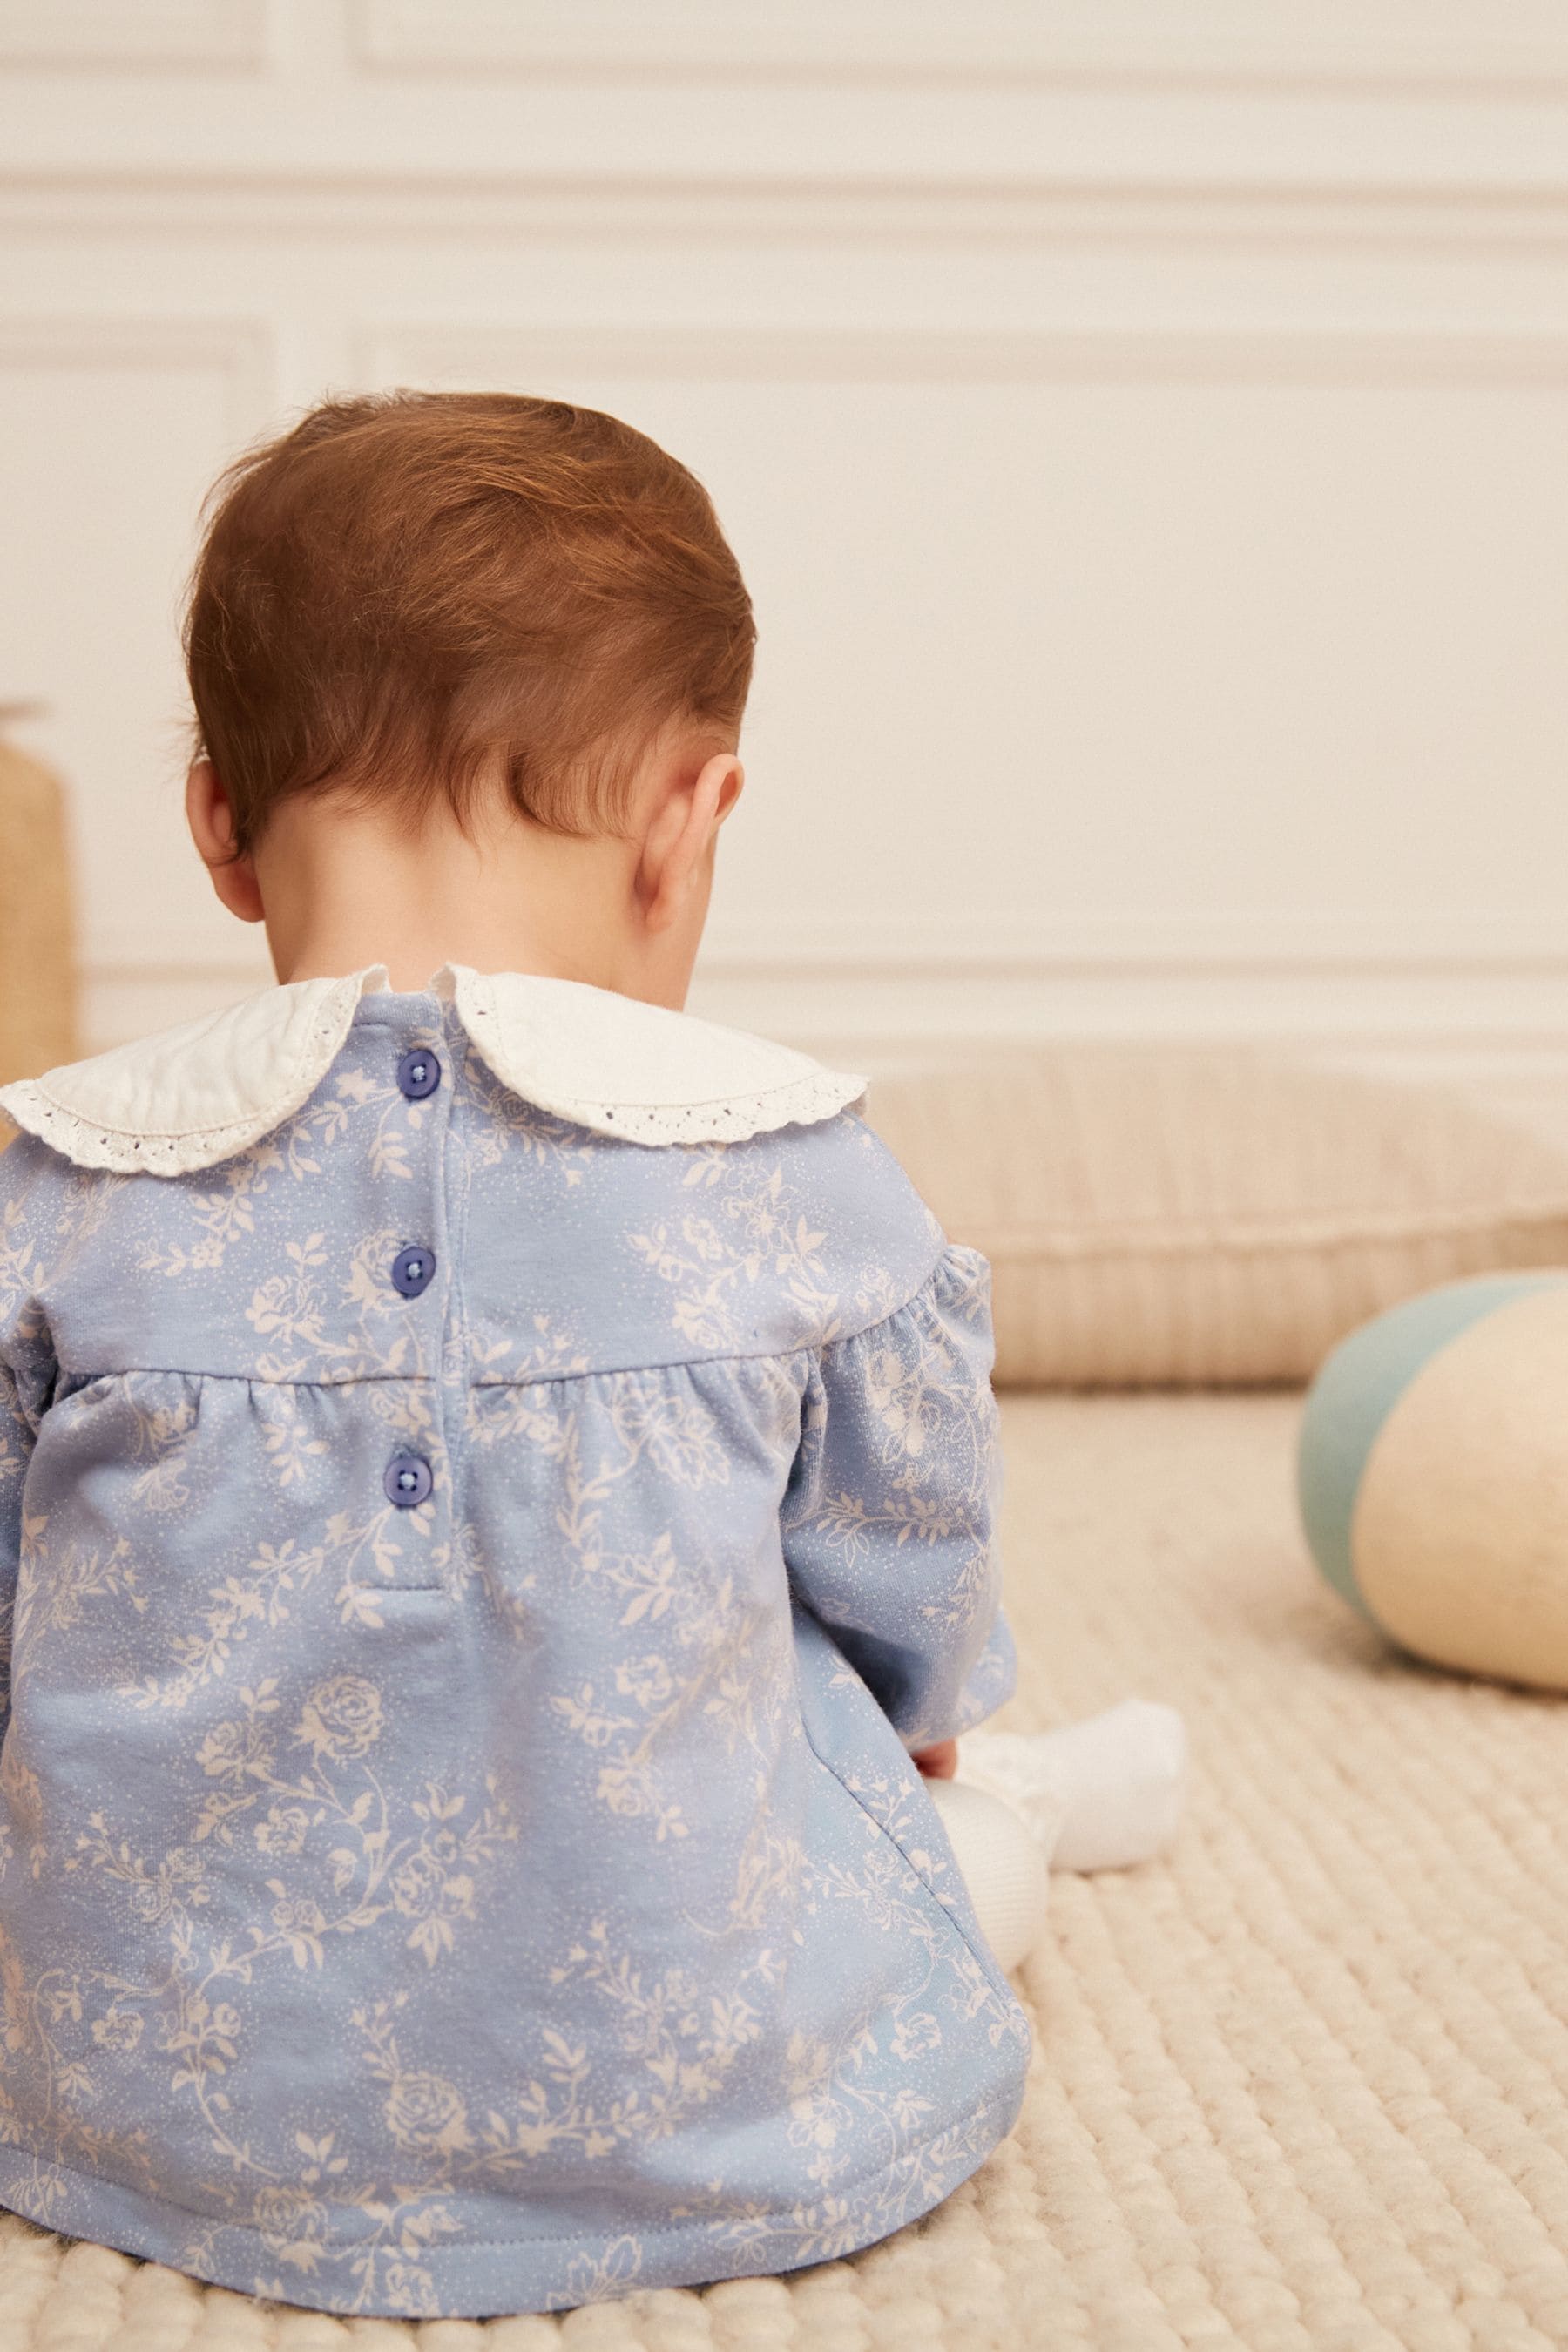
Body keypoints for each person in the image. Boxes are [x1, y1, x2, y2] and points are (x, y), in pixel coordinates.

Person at [0, 392, 1182, 2318]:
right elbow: (909, 1596)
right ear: (689, 822)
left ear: (217, 818)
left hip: (147, 2107)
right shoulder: (798, 1181)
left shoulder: (63, 1190)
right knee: (938, 1863)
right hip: (709, 2108)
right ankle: (1041, 1808)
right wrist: (939, 1725)